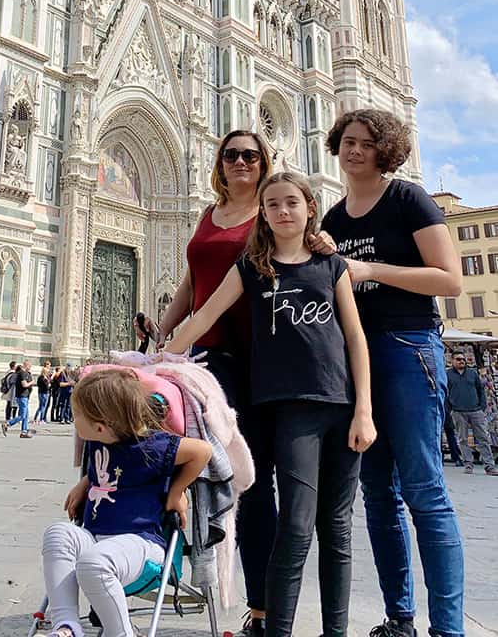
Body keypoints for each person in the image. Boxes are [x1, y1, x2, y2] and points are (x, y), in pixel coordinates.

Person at [166, 172, 375, 637]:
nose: (283, 211)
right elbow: (203, 315)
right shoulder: (250, 269)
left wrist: (364, 409)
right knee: (297, 525)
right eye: (273, 204)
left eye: (292, 203)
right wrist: (160, 357)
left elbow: (355, 338)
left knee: (337, 529)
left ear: (309, 209)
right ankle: (277, 629)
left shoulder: (332, 266)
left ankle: (334, 632)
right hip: (289, 407)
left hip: (339, 405)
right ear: (262, 213)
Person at [322, 108, 464, 637]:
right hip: (357, 361)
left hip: (409, 348)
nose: (354, 150)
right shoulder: (333, 220)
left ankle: (447, 628)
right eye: (347, 142)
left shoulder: (408, 199)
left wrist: (370, 270)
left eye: (365, 143)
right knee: (378, 495)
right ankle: (398, 617)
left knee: (425, 490)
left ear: (386, 150)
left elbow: (450, 281)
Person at [136, 130, 283, 635]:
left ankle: (262, 608)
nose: (240, 161)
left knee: (252, 482)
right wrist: (162, 333)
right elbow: (191, 283)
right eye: (231, 155)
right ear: (219, 163)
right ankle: (141, 570)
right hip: (202, 360)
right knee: (175, 464)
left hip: (256, 360)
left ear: (265, 163)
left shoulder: (272, 212)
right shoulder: (208, 213)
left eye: (250, 155)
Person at [41, 369, 212, 637]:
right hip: (96, 539)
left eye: (76, 416)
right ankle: (67, 626)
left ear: (100, 426)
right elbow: (109, 469)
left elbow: (203, 451)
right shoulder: (99, 441)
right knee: (58, 534)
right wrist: (85, 482)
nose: (73, 421)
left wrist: (177, 491)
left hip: (141, 545)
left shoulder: (151, 447)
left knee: (94, 563)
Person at [447, 351, 497, 476]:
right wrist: (450, 409)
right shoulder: (448, 375)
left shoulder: (472, 373)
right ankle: (468, 464)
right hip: (458, 411)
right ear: (452, 361)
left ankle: (489, 466)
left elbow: (480, 389)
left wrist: (482, 406)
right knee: (463, 439)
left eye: (463, 359)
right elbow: (444, 393)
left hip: (475, 410)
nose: (462, 361)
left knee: (483, 438)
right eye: (458, 359)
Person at [3, 359, 33, 438]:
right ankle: (8, 423)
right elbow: (24, 385)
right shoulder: (22, 373)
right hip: (22, 396)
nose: (30, 368)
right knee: (22, 415)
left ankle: (24, 432)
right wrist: (31, 382)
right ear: (26, 365)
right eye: (29, 366)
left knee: (26, 415)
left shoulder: (24, 373)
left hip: (24, 396)